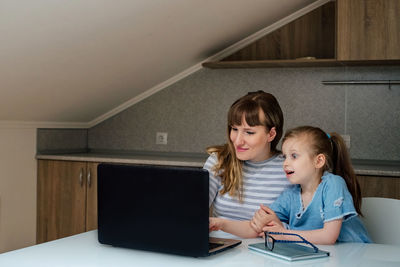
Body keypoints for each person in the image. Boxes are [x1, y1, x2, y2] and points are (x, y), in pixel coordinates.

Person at [209, 126, 372, 244]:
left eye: (294, 156)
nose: (286, 163)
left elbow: (328, 237)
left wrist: (283, 233)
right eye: (285, 157)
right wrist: (220, 223)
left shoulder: (333, 185)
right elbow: (255, 229)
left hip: (355, 257)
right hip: (321, 257)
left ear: (319, 160)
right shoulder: (290, 195)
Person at [204, 90, 291, 223]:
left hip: (267, 243)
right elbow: (193, 208)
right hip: (221, 242)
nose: (237, 141)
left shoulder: (290, 167)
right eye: (234, 129)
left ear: (271, 134)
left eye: (249, 132)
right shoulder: (219, 160)